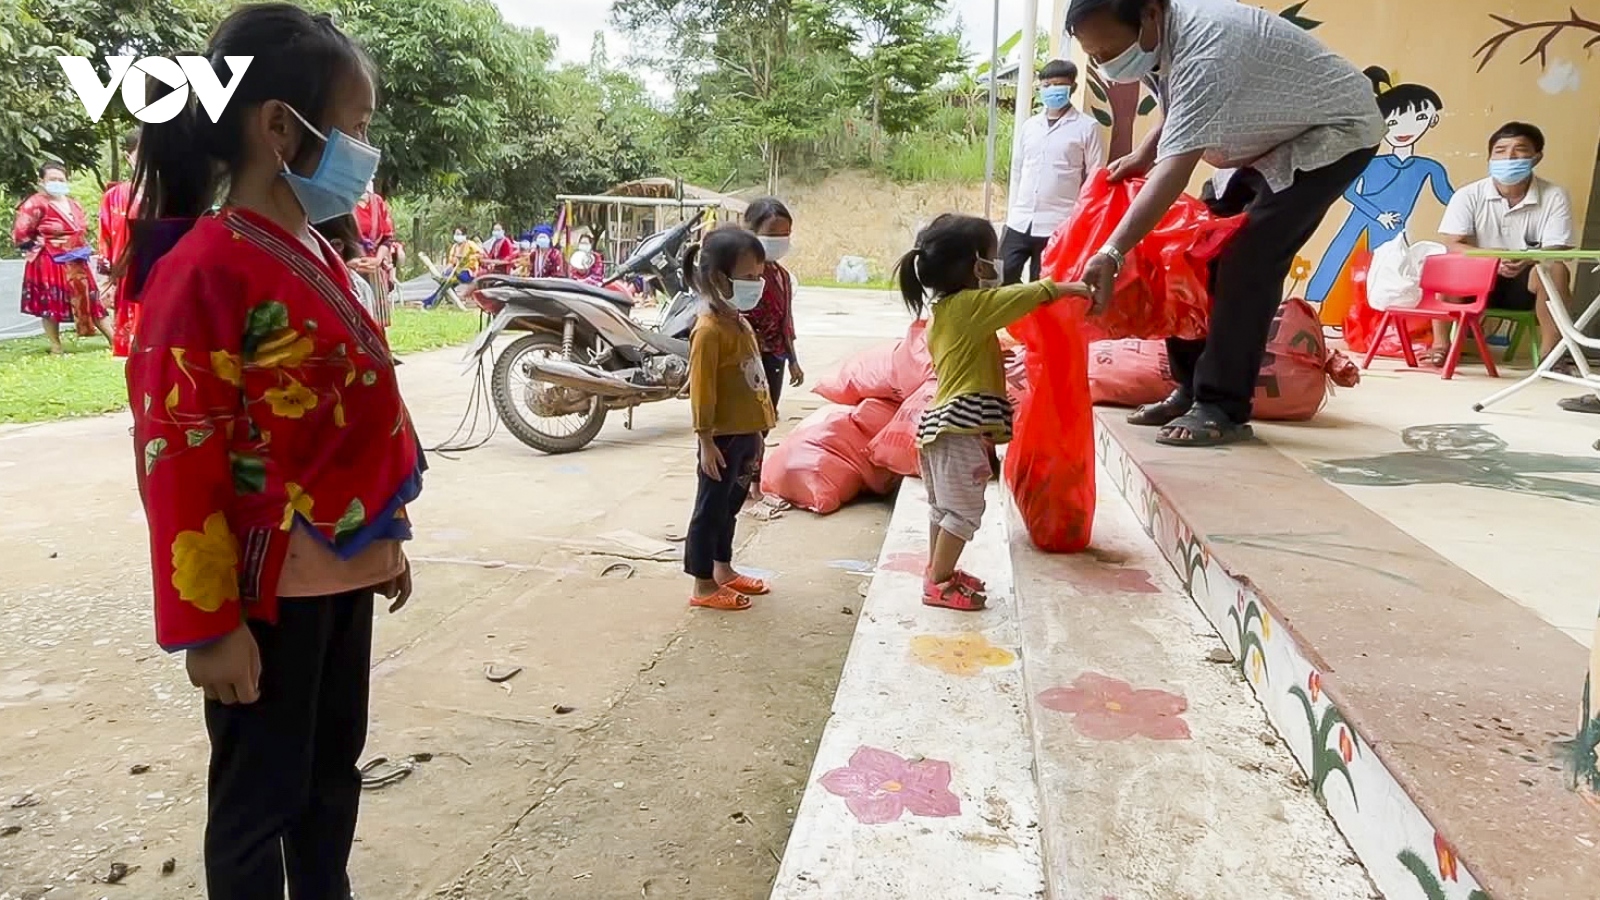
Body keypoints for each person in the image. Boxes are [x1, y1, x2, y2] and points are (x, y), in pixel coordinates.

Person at [122, 6, 422, 898]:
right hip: (266, 592)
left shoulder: (313, 249)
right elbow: (177, 452)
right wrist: (206, 623)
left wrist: (384, 535)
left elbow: (349, 415)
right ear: (281, 128)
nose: (365, 152)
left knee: (333, 781)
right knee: (263, 798)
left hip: (341, 571)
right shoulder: (207, 266)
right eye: (357, 130)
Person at [1069, 0, 1383, 447]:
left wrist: (1111, 251)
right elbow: (1179, 106)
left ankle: (1222, 407)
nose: (1105, 64)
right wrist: (1143, 153)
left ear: (1151, 14)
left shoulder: (1208, 47)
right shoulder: (1166, 36)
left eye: (1108, 51)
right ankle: (1190, 388)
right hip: (1268, 141)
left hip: (1332, 134)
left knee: (1246, 260)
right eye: (1095, 57)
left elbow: (1176, 167)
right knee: (1191, 251)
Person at [895, 214, 1081, 611]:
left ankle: (938, 573)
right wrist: (1073, 287)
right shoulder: (968, 306)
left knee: (945, 509)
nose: (998, 266)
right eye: (994, 256)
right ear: (976, 265)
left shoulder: (947, 311)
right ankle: (937, 585)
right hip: (957, 430)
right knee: (963, 512)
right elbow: (1022, 296)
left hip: (942, 430)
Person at [683, 227, 777, 612]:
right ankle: (703, 585)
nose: (758, 284)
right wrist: (705, 441)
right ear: (720, 279)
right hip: (720, 441)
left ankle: (724, 569)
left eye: (760, 276)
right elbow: (702, 391)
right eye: (750, 278)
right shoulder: (707, 332)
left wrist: (760, 427)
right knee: (709, 510)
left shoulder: (738, 321)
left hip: (745, 435)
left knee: (730, 508)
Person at [1431, 122, 1576, 373]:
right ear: (1489, 157)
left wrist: (1527, 258)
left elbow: (1557, 247)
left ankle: (1551, 356)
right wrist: (1493, 259)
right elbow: (1453, 243)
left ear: (1536, 156)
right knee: (1448, 264)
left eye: (1520, 149)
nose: (1509, 157)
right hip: (1476, 278)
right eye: (1500, 150)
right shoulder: (1468, 195)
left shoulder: (1554, 195)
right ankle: (1440, 346)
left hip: (1527, 281)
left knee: (1557, 269)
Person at [1307, 68, 1454, 307]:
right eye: (1393, 122)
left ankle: (1373, 322)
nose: (1403, 130)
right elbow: (1350, 192)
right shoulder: (1371, 163)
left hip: (1393, 226)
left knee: (1386, 276)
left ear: (1433, 119)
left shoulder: (1429, 167)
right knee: (1340, 262)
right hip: (1362, 220)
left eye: (1419, 118)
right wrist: (1378, 215)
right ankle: (1319, 309)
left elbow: (1450, 198)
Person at [1003, 59, 1106, 284]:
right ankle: (1013, 319)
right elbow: (1018, 168)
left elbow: (1095, 177)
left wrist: (1082, 220)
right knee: (1004, 276)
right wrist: (1013, 207)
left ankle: (1032, 319)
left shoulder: (1086, 127)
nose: (1051, 90)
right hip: (1020, 219)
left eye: (1058, 85)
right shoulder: (1030, 126)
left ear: (1072, 88)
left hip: (1058, 222)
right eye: (1046, 85)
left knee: (1043, 284)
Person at [12, 161, 113, 353]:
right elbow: (21, 233)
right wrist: (43, 246)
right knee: (51, 302)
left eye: (61, 179)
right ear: (41, 181)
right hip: (49, 261)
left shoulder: (73, 203)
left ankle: (113, 338)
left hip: (77, 260)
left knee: (90, 299)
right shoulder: (35, 203)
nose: (57, 183)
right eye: (52, 179)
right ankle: (56, 345)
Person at [743, 198, 804, 408]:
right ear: (751, 231)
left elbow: (785, 322)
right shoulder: (740, 275)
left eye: (785, 234)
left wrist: (792, 360)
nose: (780, 240)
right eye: (772, 235)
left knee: (768, 414)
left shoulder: (783, 276)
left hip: (774, 357)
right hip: (743, 359)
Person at [100, 129, 142, 356]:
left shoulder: (173, 194)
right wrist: (107, 282)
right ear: (129, 157)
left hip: (162, 275)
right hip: (126, 278)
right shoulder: (113, 197)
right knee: (133, 349)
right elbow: (105, 239)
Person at [353, 180, 401, 326]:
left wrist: (378, 259)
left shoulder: (377, 202)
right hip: (350, 267)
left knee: (376, 322)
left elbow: (387, 237)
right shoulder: (342, 200)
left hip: (374, 267)